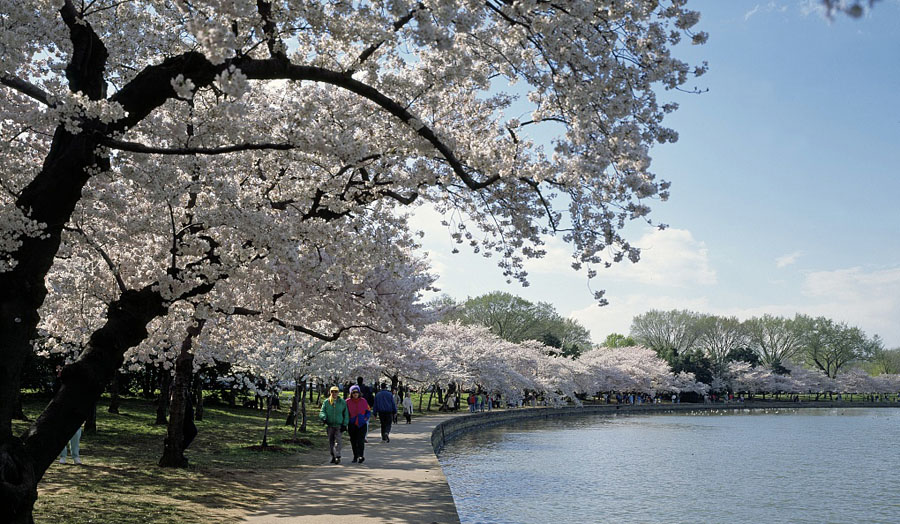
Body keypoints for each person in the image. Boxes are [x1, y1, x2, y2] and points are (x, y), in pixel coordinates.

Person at [319, 386, 349, 464]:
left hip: (339, 425)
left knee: (338, 441)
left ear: (338, 392)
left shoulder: (342, 402)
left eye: (336, 392)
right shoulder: (327, 402)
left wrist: (345, 424)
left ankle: (337, 455)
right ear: (330, 392)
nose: (334, 393)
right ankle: (333, 455)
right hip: (329, 424)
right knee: (331, 442)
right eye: (332, 391)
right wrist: (324, 417)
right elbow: (322, 411)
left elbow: (346, 414)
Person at [346, 385, 371, 463]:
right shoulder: (347, 402)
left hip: (362, 423)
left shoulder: (363, 401)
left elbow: (368, 411)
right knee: (353, 441)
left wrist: (365, 419)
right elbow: (345, 412)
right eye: (353, 392)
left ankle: (361, 456)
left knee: (360, 441)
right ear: (351, 393)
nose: (355, 394)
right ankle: (355, 456)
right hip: (352, 424)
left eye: (357, 392)